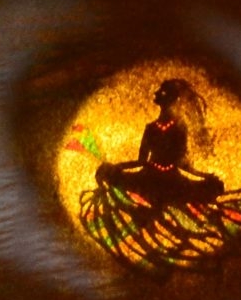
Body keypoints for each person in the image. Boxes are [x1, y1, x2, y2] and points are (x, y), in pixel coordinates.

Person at [95, 78, 224, 210]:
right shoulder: (157, 128)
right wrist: (116, 167)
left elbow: (179, 163)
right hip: (156, 180)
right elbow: (143, 161)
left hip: (161, 181)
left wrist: (203, 175)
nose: (155, 93)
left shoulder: (175, 128)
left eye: (161, 92)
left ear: (170, 99)